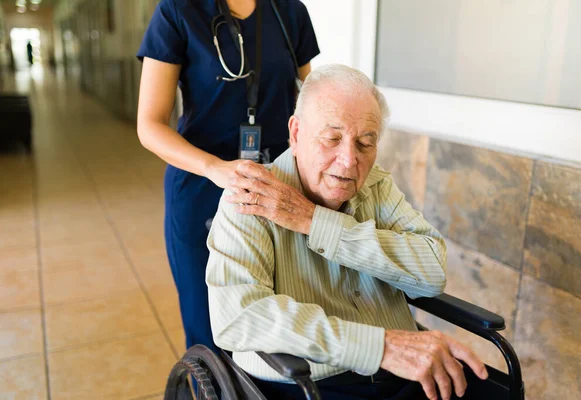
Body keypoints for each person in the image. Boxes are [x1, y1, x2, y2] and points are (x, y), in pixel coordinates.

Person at [206, 64, 489, 400]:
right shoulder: (250, 195)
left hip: (405, 373)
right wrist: (378, 347)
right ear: (296, 134)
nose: (348, 160)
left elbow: (431, 271)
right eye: (332, 138)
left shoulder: (375, 186)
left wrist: (313, 220)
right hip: (312, 383)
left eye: (365, 143)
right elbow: (238, 317)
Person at [136, 0, 320, 354]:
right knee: (211, 330)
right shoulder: (178, 11)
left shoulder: (289, 11)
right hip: (202, 186)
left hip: (276, 189)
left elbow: (312, 102)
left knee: (280, 325)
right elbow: (150, 125)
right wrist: (214, 167)